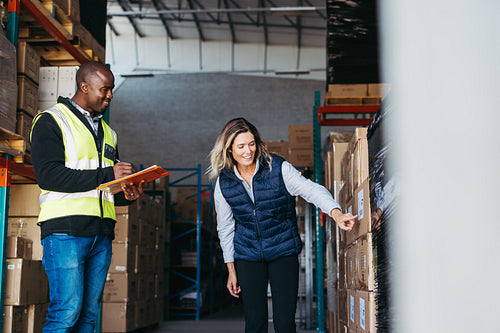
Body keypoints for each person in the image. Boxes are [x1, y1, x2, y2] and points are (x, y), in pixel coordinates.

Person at [208, 118, 357, 333]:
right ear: (229, 150)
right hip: (247, 254)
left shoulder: (278, 168)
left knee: (285, 321)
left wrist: (336, 213)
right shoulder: (224, 183)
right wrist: (231, 269)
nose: (248, 151)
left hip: (283, 250)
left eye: (251, 144)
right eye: (241, 146)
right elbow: (225, 227)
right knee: (254, 321)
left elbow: (312, 190)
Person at [30, 61, 142, 333]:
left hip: (101, 233)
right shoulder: (51, 120)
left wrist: (127, 192)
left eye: (111, 90)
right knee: (66, 313)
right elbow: (49, 176)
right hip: (65, 231)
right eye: (105, 89)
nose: (110, 95)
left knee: (89, 317)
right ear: (84, 86)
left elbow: (105, 186)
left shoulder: (109, 133)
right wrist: (108, 174)